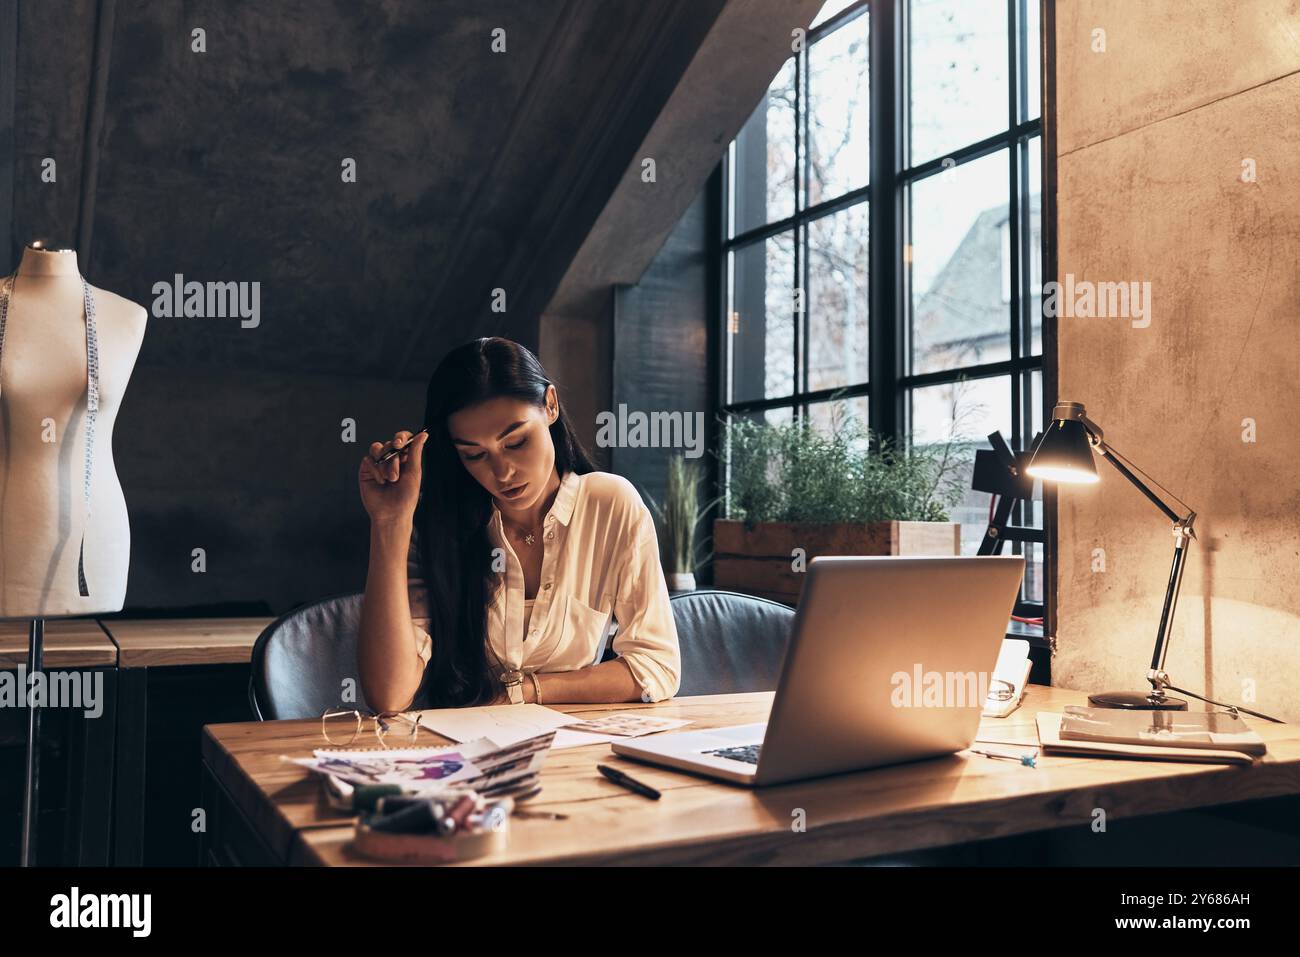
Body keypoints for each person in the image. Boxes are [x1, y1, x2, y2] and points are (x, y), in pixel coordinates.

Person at [357, 336, 681, 711]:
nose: (503, 471)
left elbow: (656, 666)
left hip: (571, 749)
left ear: (551, 406)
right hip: (458, 750)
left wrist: (523, 691)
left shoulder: (610, 505)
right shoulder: (437, 527)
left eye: (516, 443)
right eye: (474, 455)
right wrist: (389, 522)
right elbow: (388, 696)